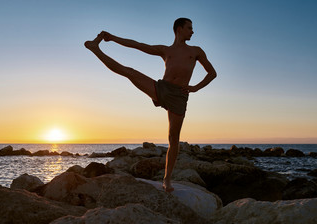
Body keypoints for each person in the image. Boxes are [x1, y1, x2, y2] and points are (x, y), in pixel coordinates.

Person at [84, 17, 217, 192]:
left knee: (173, 139)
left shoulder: (196, 51)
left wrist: (194, 88)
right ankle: (95, 49)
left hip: (179, 97)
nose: (193, 31)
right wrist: (113, 38)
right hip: (162, 88)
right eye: (189, 28)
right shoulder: (165, 50)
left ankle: (167, 179)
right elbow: (138, 45)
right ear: (179, 29)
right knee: (129, 72)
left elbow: (212, 73)